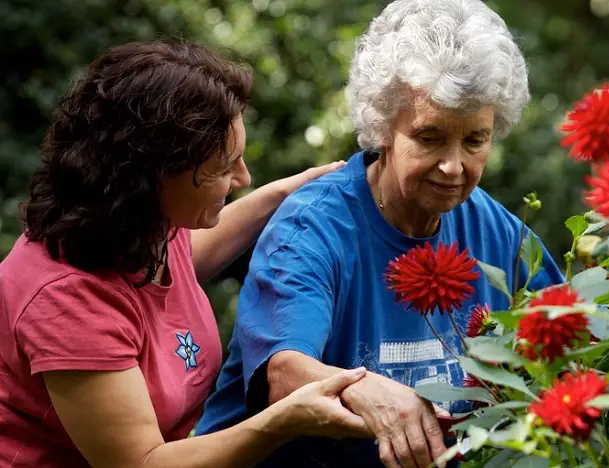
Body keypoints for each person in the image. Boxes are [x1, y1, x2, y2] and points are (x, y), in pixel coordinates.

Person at [196, 0, 565, 467]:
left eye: (475, 140)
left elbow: (571, 345)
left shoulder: (500, 235)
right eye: (429, 137)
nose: (455, 166)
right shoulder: (312, 229)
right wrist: (364, 388)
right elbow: (284, 374)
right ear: (384, 127)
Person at [0, 40, 375, 468]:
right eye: (222, 168)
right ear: (151, 175)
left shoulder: (144, 228)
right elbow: (143, 462)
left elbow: (188, 257)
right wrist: (283, 420)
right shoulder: (67, 301)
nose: (243, 178)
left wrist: (292, 190)